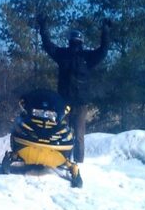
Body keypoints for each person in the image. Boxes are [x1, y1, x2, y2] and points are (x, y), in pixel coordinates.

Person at [37, 15, 110, 163]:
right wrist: (43, 28)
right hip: (65, 103)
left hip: (79, 103)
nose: (75, 42)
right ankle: (63, 160)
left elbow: (103, 51)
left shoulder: (85, 57)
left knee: (76, 135)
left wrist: (106, 33)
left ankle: (76, 163)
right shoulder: (66, 55)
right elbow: (48, 46)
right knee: (66, 133)